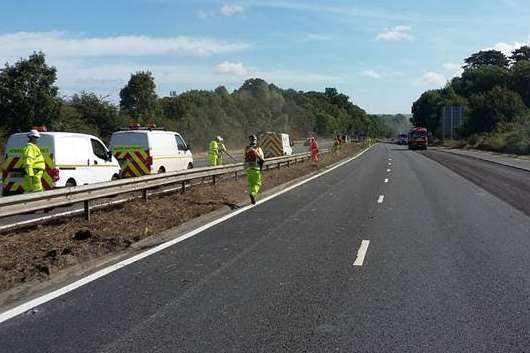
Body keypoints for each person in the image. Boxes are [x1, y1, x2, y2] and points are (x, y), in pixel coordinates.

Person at [244, 134, 264, 205]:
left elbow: (245, 159)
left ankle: (252, 196)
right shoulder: (258, 148)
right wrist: (260, 169)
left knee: (251, 184)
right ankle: (252, 194)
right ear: (256, 140)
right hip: (256, 169)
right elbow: (262, 160)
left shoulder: (247, 148)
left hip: (249, 170)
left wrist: (245, 168)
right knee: (257, 184)